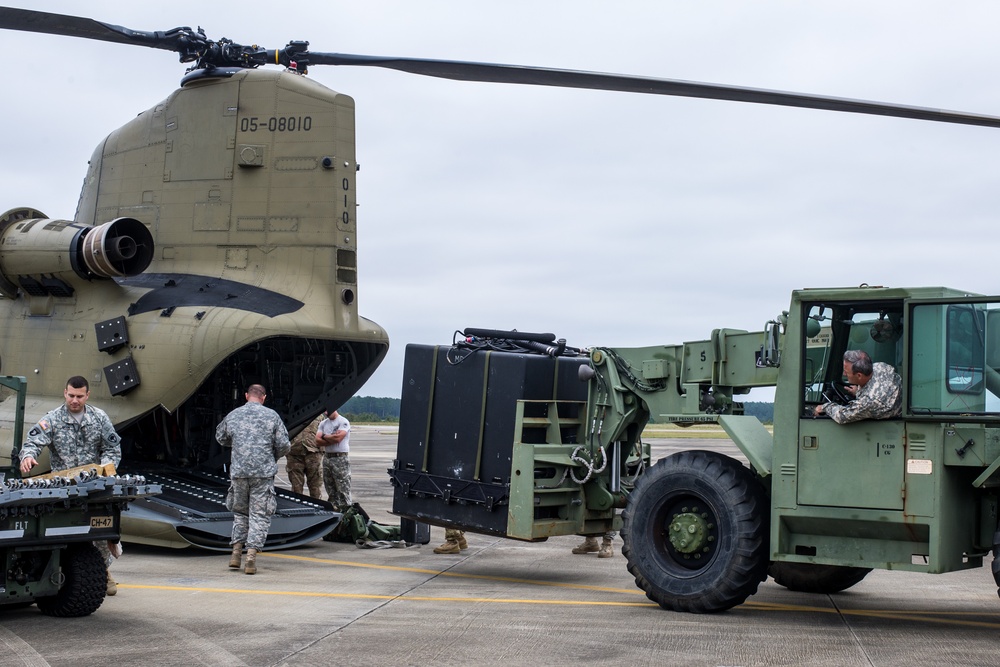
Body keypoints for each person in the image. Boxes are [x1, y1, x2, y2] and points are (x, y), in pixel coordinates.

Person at [19, 375, 123, 595]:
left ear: (87, 395)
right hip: (63, 488)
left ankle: (101, 570)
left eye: (79, 396)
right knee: (64, 532)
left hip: (93, 485)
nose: (74, 400)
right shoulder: (53, 419)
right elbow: (33, 442)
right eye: (71, 395)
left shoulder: (99, 418)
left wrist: (105, 470)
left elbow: (112, 449)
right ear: (65, 393)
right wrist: (27, 457)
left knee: (100, 533)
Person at [216, 384, 291, 575]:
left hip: (239, 472)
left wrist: (239, 446)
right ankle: (250, 558)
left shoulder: (233, 415)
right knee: (259, 514)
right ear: (263, 397)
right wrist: (271, 456)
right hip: (262, 474)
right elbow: (284, 445)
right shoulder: (271, 416)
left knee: (240, 513)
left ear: (246, 395)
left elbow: (221, 437)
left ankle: (235, 554)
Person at [814, 349, 902, 424]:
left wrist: (824, 407)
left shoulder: (869, 402)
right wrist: (858, 391)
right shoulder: (881, 367)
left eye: (846, 372)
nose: (844, 374)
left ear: (859, 375)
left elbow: (842, 416)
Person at [317, 408, 352, 512]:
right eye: (325, 411)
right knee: (330, 488)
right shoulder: (323, 423)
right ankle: (334, 512)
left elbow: (338, 439)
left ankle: (347, 513)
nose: (326, 413)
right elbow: (317, 441)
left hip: (340, 458)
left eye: (328, 410)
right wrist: (330, 438)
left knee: (343, 488)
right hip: (327, 457)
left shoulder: (343, 422)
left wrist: (324, 436)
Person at [285, 413, 325, 498]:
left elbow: (324, 434)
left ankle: (317, 508)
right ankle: (297, 508)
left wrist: (321, 451)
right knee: (296, 489)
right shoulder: (293, 415)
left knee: (315, 487)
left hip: (313, 454)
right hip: (294, 454)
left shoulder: (319, 416)